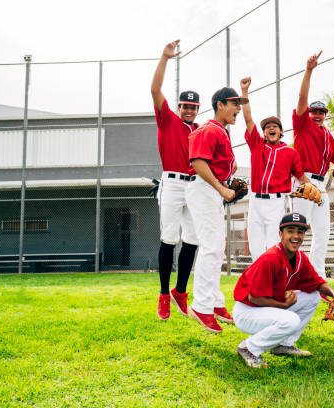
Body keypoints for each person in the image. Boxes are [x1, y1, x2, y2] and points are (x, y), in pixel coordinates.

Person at [233, 212, 334, 368]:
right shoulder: (270, 258)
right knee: (290, 320)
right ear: (281, 234)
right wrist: (284, 306)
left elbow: (317, 283)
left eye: (300, 231)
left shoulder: (300, 258)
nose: (296, 236)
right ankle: (249, 348)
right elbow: (254, 298)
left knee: (313, 297)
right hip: (247, 311)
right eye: (290, 231)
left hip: (265, 306)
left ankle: (283, 344)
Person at [185, 86, 247, 333]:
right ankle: (201, 306)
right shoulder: (210, 129)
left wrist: (228, 176)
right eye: (234, 103)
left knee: (217, 247)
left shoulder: (221, 131)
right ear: (220, 104)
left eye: (240, 104)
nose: (238, 109)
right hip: (203, 189)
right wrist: (222, 189)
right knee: (211, 247)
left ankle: (215, 303)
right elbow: (198, 162)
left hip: (210, 190)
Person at [150, 39, 200, 321]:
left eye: (193, 106)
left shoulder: (201, 129)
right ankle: (163, 294)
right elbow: (155, 90)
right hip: (171, 182)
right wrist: (165, 57)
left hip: (193, 185)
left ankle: (180, 291)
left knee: (192, 238)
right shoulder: (168, 119)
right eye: (185, 105)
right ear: (179, 106)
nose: (189, 110)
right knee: (169, 237)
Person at [239, 77, 311, 260]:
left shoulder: (290, 152)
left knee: (273, 245)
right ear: (263, 133)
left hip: (276, 203)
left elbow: (301, 177)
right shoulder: (257, 145)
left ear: (280, 131)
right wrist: (244, 92)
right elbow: (248, 119)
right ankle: (258, 285)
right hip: (255, 200)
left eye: (274, 126)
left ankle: (273, 283)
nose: (271, 128)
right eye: (267, 127)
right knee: (255, 247)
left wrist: (312, 187)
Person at [292, 51, 334, 283]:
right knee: (297, 229)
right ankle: (292, 272)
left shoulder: (328, 135)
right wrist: (309, 71)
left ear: (325, 115)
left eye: (321, 112)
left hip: (322, 184)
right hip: (303, 181)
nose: (317, 114)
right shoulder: (303, 125)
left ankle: (316, 275)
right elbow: (302, 98)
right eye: (314, 111)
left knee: (323, 232)